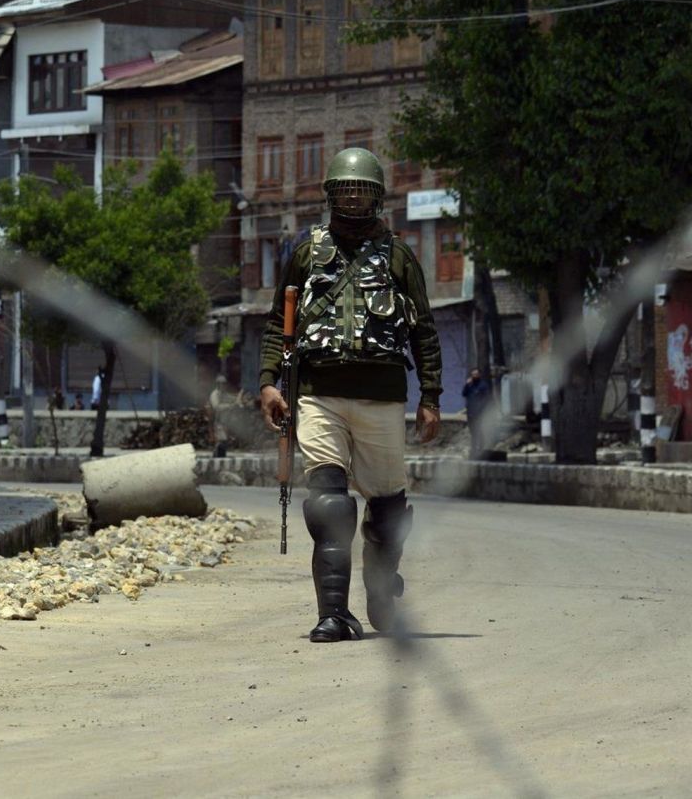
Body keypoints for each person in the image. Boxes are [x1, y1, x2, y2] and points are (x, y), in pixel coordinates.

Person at [260, 147, 442, 643]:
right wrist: (269, 382)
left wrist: (431, 396)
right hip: (317, 394)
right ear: (331, 196)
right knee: (329, 504)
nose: (353, 199)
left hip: (381, 397)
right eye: (346, 191)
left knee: (387, 506)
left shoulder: (399, 256)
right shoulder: (306, 252)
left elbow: (424, 329)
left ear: (377, 198)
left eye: (362, 191)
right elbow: (278, 322)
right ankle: (335, 615)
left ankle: (381, 591)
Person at [462, 367, 492, 460]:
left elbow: (486, 399)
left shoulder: (483, 386)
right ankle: (474, 448)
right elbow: (464, 394)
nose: (474, 376)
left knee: (478, 430)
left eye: (476, 374)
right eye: (473, 374)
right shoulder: (470, 385)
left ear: (479, 375)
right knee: (472, 431)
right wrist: (466, 384)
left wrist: (481, 410)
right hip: (470, 412)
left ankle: (480, 447)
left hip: (479, 413)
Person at [207, 374, 239, 458]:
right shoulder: (214, 394)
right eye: (222, 384)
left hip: (224, 420)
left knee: (224, 440)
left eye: (224, 384)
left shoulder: (223, 393)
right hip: (217, 420)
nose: (224, 386)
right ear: (218, 384)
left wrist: (238, 399)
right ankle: (216, 457)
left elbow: (231, 398)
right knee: (221, 439)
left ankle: (221, 457)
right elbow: (216, 406)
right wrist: (229, 406)